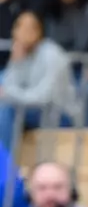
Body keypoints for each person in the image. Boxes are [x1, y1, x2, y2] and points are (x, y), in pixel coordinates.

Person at [0, 11, 81, 152]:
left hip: (60, 115)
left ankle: (5, 169)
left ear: (38, 31)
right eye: (17, 27)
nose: (18, 32)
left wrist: (9, 94)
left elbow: (44, 98)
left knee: (6, 111)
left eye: (25, 28)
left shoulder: (53, 55)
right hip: (32, 111)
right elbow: (7, 87)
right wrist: (15, 63)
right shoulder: (22, 54)